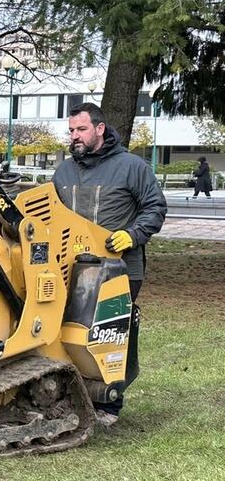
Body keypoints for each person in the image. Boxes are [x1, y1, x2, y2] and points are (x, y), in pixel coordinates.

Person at [53, 102, 167, 427]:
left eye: (81, 129)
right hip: (71, 269)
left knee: (108, 333)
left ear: (100, 129)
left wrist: (133, 235)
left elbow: (155, 207)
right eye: (71, 130)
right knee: (69, 335)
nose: (75, 136)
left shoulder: (131, 166)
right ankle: (71, 396)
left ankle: (109, 403)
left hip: (119, 269)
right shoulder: (63, 172)